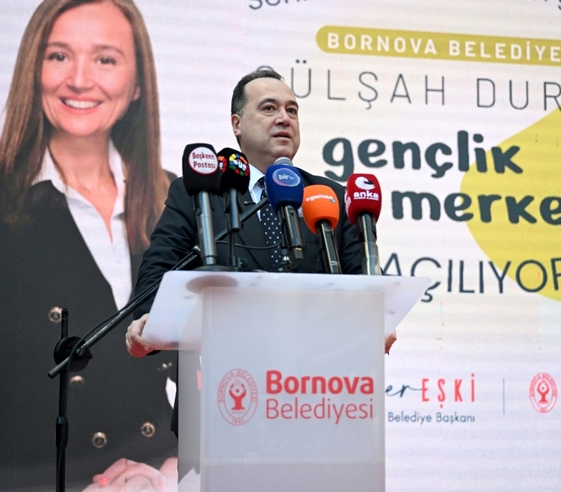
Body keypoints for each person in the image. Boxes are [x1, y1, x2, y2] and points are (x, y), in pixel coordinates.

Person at [0, 0, 178, 491]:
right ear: (32, 70)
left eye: (105, 59)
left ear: (137, 84)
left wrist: (173, 474)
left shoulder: (176, 200)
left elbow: (216, 384)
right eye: (59, 55)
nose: (79, 79)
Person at [124, 70, 395, 477]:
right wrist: (150, 320)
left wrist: (378, 322)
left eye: (292, 110)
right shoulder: (200, 194)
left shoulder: (329, 198)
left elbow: (365, 288)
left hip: (320, 409)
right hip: (224, 408)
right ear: (236, 124)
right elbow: (158, 272)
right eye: (268, 108)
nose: (284, 118)